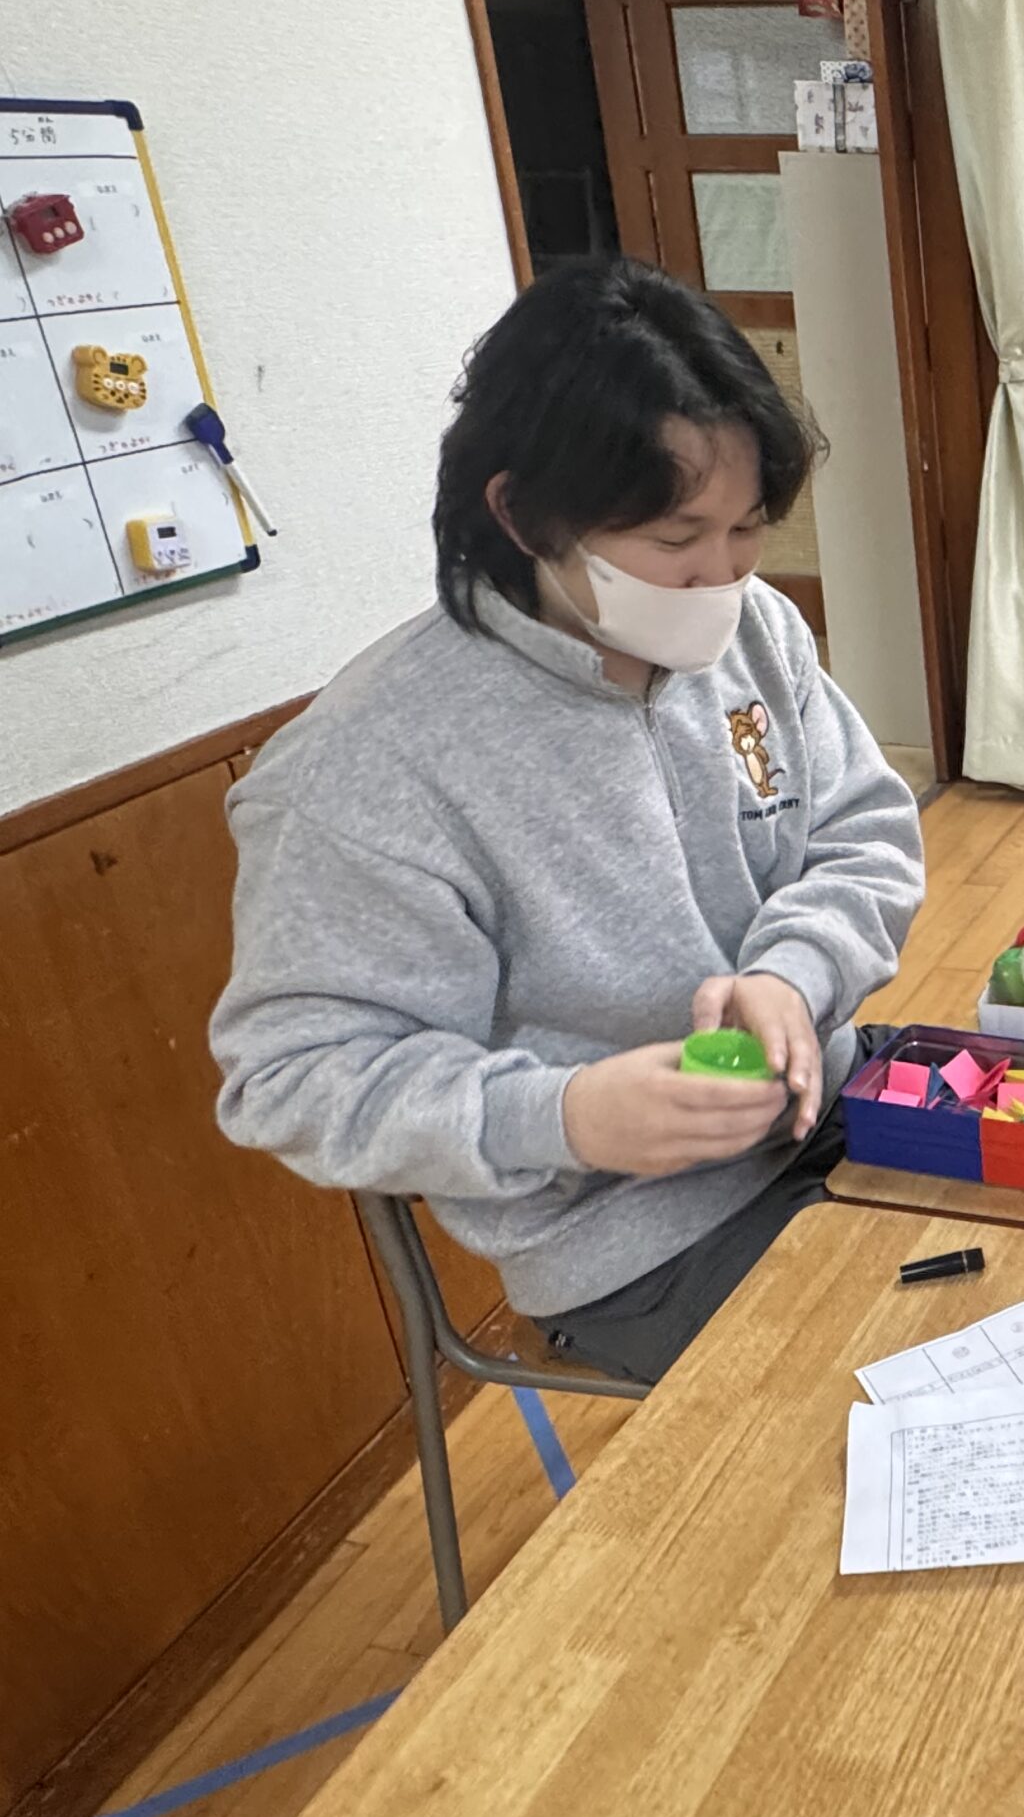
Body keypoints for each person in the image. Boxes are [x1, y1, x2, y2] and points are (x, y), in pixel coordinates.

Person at [212, 258, 925, 1384]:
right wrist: (566, 1117)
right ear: (520, 514)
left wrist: (795, 974)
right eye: (676, 539)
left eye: (747, 529)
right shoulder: (370, 763)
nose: (721, 576)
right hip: (635, 1241)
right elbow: (294, 1077)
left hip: (831, 1106)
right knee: (916, 1408)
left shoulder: (753, 630)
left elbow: (864, 831)